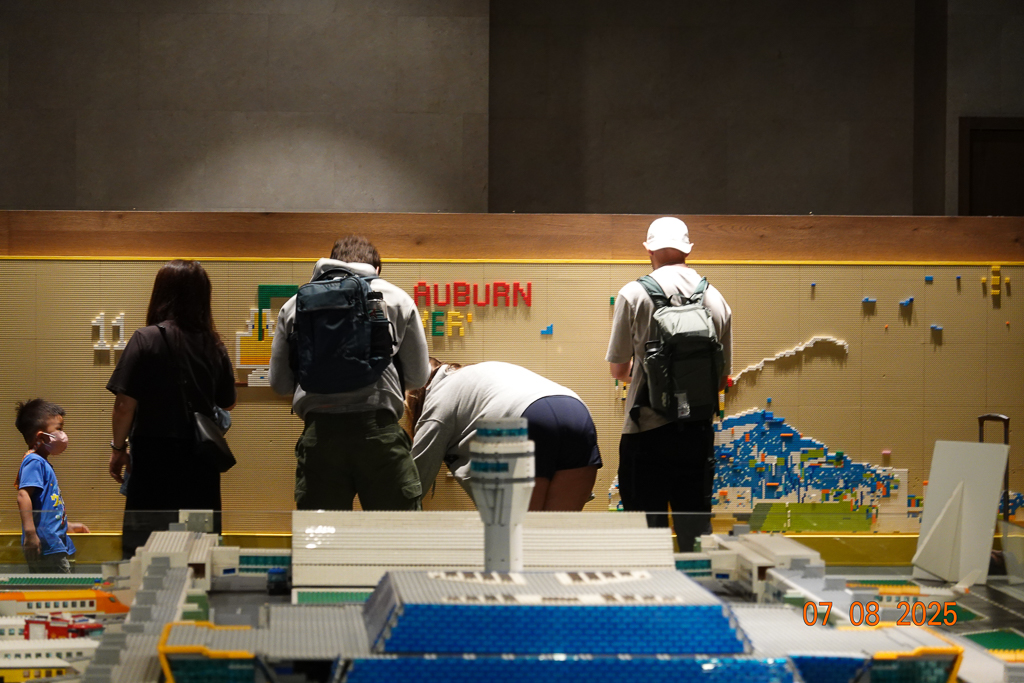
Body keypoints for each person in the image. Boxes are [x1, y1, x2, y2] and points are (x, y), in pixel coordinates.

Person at [270, 235, 431, 511]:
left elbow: (280, 384)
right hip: (379, 434)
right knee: (396, 532)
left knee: (325, 533)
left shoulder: (295, 304)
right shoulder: (396, 298)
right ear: (376, 269)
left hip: (320, 437)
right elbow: (418, 377)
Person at [606, 217, 732, 551]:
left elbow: (618, 369)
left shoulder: (633, 294)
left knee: (647, 537)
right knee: (695, 535)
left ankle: (654, 586)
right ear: (688, 250)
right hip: (696, 434)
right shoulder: (716, 299)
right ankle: (696, 584)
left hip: (645, 431)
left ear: (648, 249)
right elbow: (720, 379)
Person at [107, 260, 236, 559]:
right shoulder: (214, 345)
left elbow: (124, 406)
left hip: (153, 460)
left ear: (161, 294)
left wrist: (118, 449)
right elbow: (227, 402)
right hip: (200, 461)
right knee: (198, 550)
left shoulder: (145, 339)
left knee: (145, 548)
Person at [408, 360, 602, 511]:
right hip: (576, 412)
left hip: (528, 420)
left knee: (520, 540)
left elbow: (415, 479)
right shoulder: (477, 374)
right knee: (556, 536)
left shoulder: (439, 396)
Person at [14, 399, 89, 573]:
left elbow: (47, 507)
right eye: (59, 429)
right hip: (46, 544)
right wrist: (30, 533)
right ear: (41, 437)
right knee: (59, 586)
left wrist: (67, 525)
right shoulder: (34, 461)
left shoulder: (42, 463)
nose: (63, 434)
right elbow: (23, 496)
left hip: (56, 541)